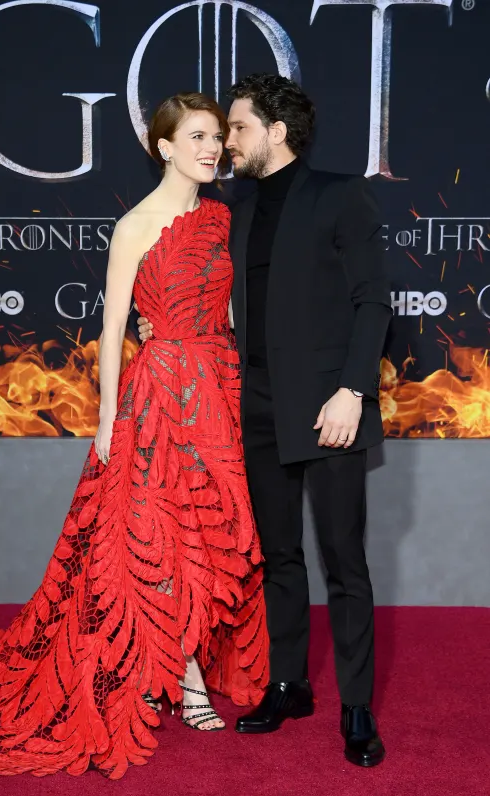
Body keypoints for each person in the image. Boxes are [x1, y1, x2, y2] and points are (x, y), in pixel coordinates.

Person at [0, 92, 268, 780]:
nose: (211, 148)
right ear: (163, 146)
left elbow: (230, 309)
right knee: (166, 533)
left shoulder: (224, 218)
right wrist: (107, 424)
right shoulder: (135, 226)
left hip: (218, 386)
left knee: (217, 530)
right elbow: (111, 331)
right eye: (196, 136)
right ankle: (185, 673)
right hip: (159, 392)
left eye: (216, 137)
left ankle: (186, 657)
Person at [137, 74, 391, 768]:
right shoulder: (237, 212)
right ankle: (289, 684)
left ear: (276, 133)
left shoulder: (339, 194)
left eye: (239, 129)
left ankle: (359, 707)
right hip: (258, 408)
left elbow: (373, 302)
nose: (227, 142)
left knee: (345, 562)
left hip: (331, 409)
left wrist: (352, 391)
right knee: (279, 557)